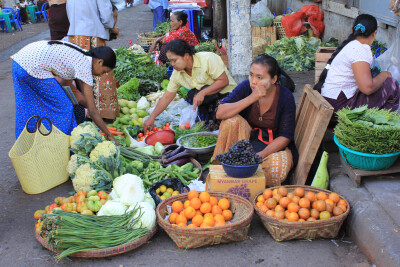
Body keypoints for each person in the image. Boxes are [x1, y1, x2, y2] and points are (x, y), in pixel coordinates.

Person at [212, 54, 298, 187]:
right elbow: (220, 112)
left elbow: (285, 136)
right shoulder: (246, 87)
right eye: (251, 75)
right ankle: (225, 170)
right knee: (231, 121)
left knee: (277, 169)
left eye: (259, 77)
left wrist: (261, 155)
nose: (253, 81)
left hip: (271, 146)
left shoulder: (285, 96)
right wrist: (253, 97)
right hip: (245, 139)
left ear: (274, 79)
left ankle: (252, 186)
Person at [11, 40, 117, 142]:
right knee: (65, 107)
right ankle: (63, 144)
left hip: (19, 62)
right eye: (104, 71)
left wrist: (87, 104)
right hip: (34, 68)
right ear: (99, 62)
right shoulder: (85, 66)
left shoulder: (83, 55)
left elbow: (81, 89)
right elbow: (92, 111)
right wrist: (109, 135)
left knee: (27, 104)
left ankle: (24, 142)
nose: (101, 75)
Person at [315, 14, 400, 118]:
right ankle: (382, 126)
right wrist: (385, 74)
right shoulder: (360, 49)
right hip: (338, 108)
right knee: (391, 85)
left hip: (332, 101)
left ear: (352, 30)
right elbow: (367, 88)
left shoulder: (351, 45)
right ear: (374, 34)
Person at [143, 39, 237, 130]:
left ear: (186, 55)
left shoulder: (207, 59)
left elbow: (224, 81)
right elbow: (167, 96)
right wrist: (152, 117)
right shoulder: (177, 73)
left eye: (174, 60)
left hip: (227, 94)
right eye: (170, 61)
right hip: (209, 97)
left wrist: (203, 93)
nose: (172, 64)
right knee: (193, 100)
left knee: (220, 123)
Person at [67, 0, 120, 122]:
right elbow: (106, 16)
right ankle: (103, 115)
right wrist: (112, 28)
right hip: (92, 34)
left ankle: (83, 113)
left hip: (75, 36)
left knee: (79, 76)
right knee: (101, 73)